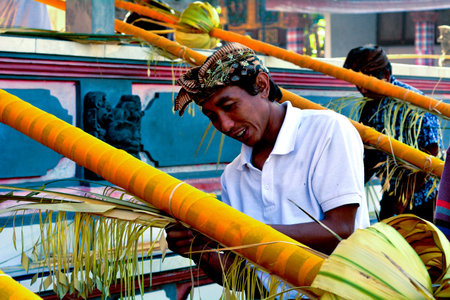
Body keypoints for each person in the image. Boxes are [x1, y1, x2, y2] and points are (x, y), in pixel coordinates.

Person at [166, 42, 369, 296]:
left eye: (229, 106)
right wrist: (199, 251)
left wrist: (239, 234)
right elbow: (249, 283)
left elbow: (341, 230)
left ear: (261, 85)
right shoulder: (233, 176)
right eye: (212, 116)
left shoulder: (327, 131)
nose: (225, 125)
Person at [343, 45, 442, 222]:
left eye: (366, 84)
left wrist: (406, 194)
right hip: (391, 192)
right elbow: (371, 155)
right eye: (358, 84)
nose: (362, 91)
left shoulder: (414, 102)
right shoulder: (369, 107)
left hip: (422, 197)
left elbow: (431, 153)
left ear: (386, 77)